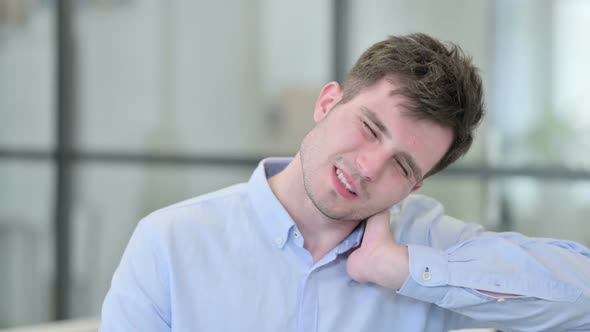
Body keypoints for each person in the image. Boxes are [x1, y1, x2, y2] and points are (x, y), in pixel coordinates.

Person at [99, 33, 590, 331]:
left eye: (403, 166)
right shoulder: (169, 243)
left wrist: (400, 268)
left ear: (414, 187)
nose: (371, 166)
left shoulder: (424, 243)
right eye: (370, 128)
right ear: (327, 102)